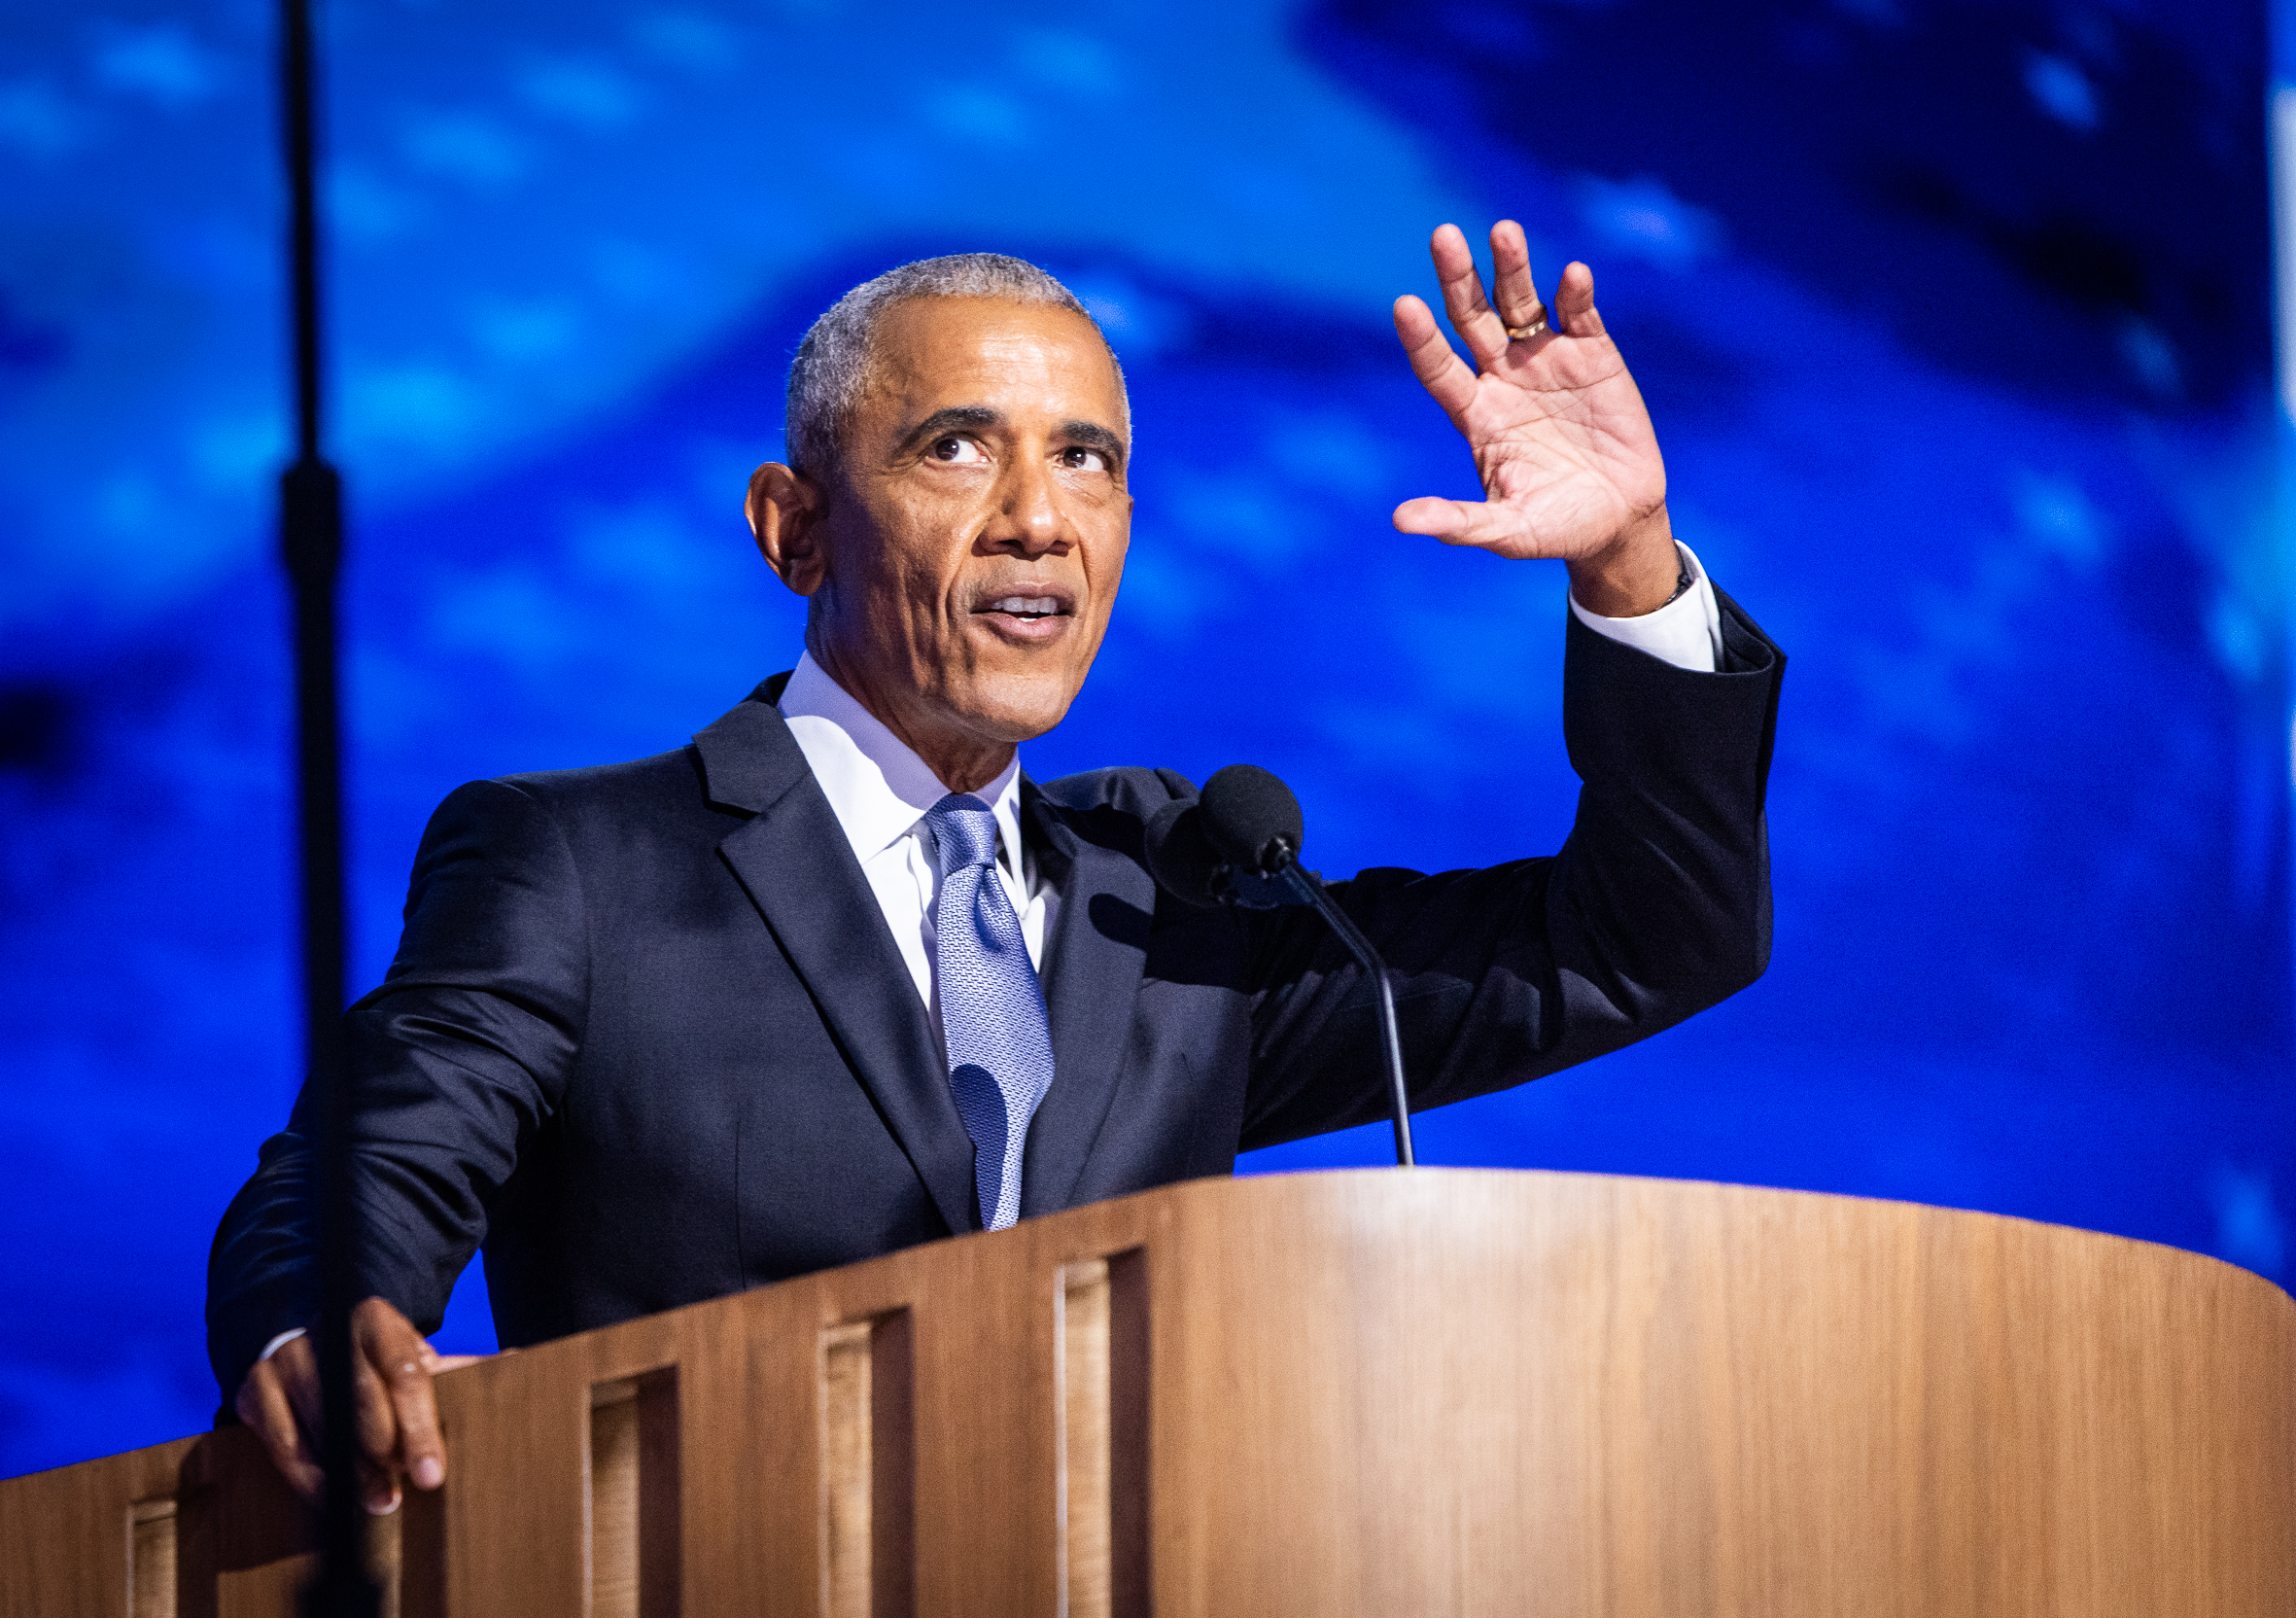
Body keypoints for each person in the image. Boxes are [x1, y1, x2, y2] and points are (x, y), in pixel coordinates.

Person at [209, 223, 1784, 1514]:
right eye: (959, 449)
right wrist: (323, 1320)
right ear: (793, 529)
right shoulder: (583, 861)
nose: (1041, 520)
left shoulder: (1184, 892)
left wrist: (1626, 561)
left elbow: (1641, 942)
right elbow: (373, 1163)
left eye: (1089, 460)